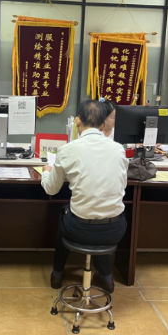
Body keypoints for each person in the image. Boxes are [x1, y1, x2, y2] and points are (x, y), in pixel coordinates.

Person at [42, 100, 129, 293]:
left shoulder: (68, 149)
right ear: (103, 124)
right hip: (115, 229)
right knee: (101, 218)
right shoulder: (118, 149)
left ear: (77, 121)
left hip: (79, 229)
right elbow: (122, 185)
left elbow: (51, 189)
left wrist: (46, 172)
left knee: (65, 214)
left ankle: (57, 273)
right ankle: (106, 277)